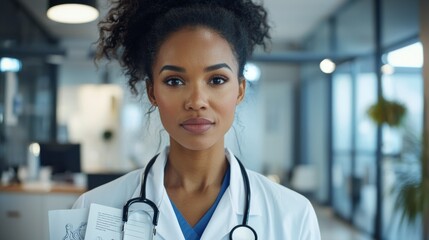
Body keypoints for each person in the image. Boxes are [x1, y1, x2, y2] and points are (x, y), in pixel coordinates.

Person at [72, 0, 321, 239]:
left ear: (240, 90)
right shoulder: (93, 209)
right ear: (152, 92)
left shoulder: (293, 215)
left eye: (216, 80)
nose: (197, 101)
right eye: (174, 81)